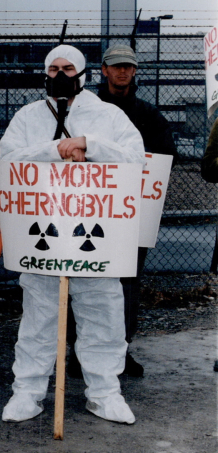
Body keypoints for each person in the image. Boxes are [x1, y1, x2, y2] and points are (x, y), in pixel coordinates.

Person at [0, 45, 145, 425]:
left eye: (67, 68)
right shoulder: (28, 116)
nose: (59, 74)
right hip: (43, 237)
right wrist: (55, 151)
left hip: (94, 239)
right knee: (38, 319)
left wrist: (89, 146)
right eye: (53, 68)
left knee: (103, 317)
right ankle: (27, 393)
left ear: (82, 73)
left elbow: (134, 157)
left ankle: (105, 393)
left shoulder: (107, 115)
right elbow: (8, 159)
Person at [67, 44, 179, 379]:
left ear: (134, 71)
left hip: (132, 214)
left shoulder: (148, 115)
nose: (122, 72)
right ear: (103, 70)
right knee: (84, 279)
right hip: (90, 212)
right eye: (116, 67)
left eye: (128, 67)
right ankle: (79, 353)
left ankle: (122, 351)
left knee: (127, 285)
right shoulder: (87, 111)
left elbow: (164, 159)